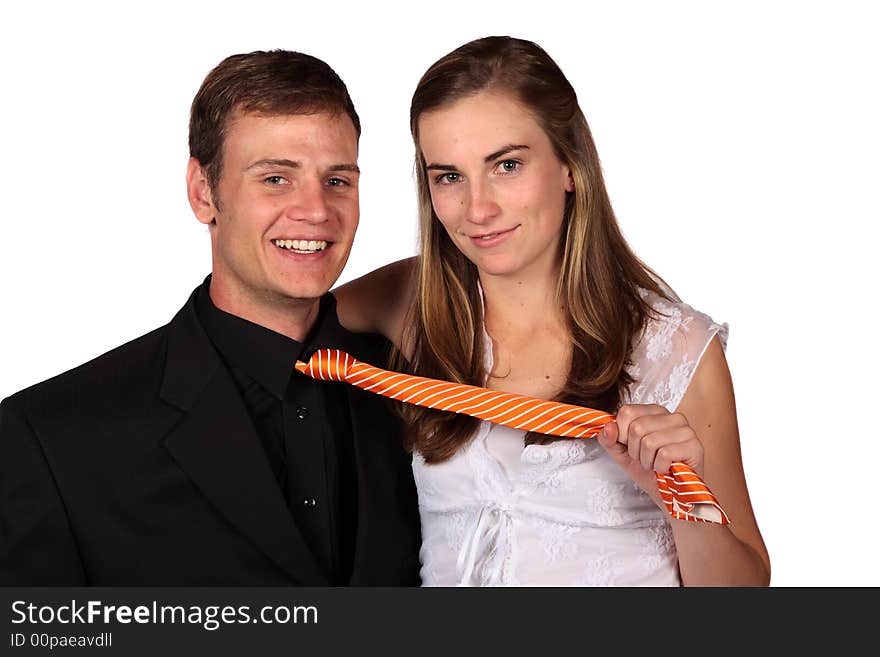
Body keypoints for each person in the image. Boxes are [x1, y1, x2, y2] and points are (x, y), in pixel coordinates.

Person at [334, 36, 770, 586]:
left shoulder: (676, 349)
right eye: (449, 176)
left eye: (508, 165)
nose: (479, 208)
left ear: (569, 165)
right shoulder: (412, 303)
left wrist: (683, 498)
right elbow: (274, 322)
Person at [0, 50, 421, 586]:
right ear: (203, 192)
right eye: (275, 179)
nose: (316, 210)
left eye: (338, 180)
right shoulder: (54, 438)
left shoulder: (421, 387)